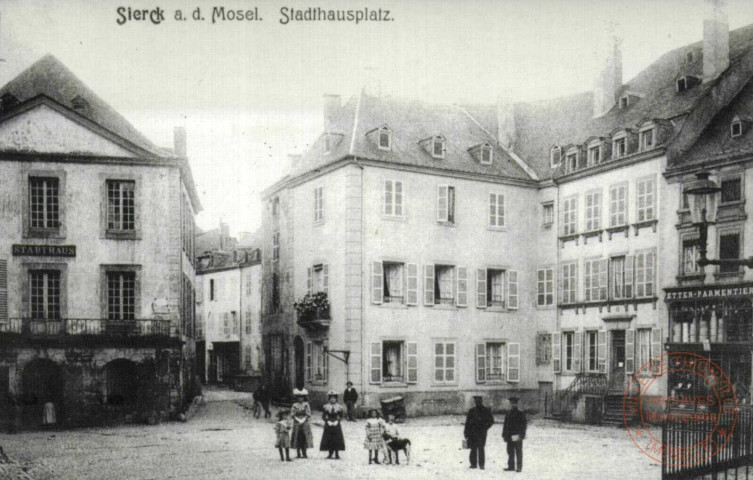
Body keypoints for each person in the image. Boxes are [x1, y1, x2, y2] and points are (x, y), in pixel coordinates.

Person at [464, 395, 494, 470]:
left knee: (481, 448)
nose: (477, 403)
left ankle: (481, 464)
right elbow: (467, 423)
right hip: (472, 433)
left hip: (481, 433)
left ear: (481, 401)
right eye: (476, 401)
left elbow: (491, 421)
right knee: (473, 448)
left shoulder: (486, 410)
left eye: (479, 401)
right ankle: (473, 464)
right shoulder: (471, 411)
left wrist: (485, 427)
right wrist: (466, 432)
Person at [502, 397, 527, 472]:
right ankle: (511, 466)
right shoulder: (508, 413)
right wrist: (504, 434)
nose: (513, 405)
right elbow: (505, 424)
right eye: (512, 403)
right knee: (510, 451)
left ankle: (519, 467)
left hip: (517, 435)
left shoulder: (520, 413)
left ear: (517, 404)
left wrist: (521, 435)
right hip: (509, 435)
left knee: (518, 451)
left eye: (514, 403)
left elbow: (524, 425)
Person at [320, 390, 346, 459]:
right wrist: (327, 421)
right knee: (329, 438)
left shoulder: (339, 407)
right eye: (331, 398)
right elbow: (323, 416)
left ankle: (337, 454)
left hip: (336, 424)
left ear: (336, 399)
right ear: (329, 399)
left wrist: (338, 421)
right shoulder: (326, 406)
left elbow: (341, 416)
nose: (332, 399)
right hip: (329, 424)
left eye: (334, 398)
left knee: (337, 438)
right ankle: (330, 453)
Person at [290, 389, 314, 458]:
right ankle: (298, 453)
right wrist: (296, 418)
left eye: (302, 397)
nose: (300, 399)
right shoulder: (294, 405)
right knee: (297, 437)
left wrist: (304, 418)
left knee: (304, 437)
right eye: (299, 397)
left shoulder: (306, 405)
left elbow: (309, 413)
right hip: (297, 423)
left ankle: (304, 452)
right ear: (297, 398)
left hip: (305, 423)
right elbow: (292, 414)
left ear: (304, 398)